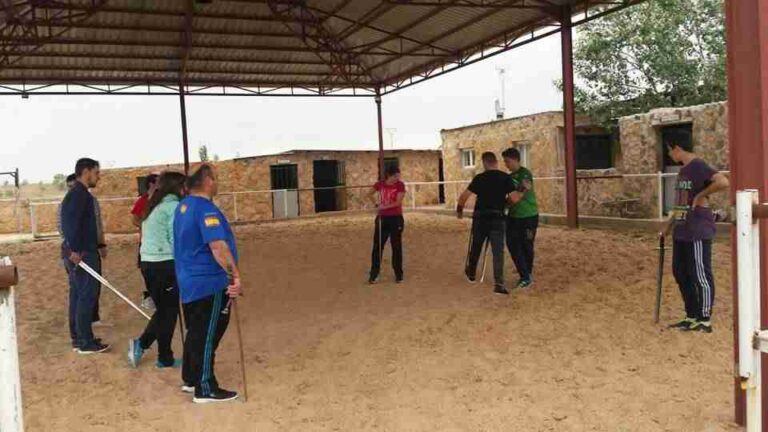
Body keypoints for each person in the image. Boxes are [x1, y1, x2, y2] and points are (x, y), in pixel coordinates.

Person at [174, 164, 241, 403]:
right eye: (216, 178)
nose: (218, 182)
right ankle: (205, 386)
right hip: (209, 283)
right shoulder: (205, 210)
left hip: (189, 281)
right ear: (207, 180)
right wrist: (235, 276)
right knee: (208, 333)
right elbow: (218, 247)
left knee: (196, 332)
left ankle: (191, 378)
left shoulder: (182, 207)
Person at [663, 131, 729, 333]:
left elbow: (723, 182)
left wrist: (701, 194)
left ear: (677, 148)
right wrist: (668, 225)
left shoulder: (698, 165)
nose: (669, 155)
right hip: (682, 229)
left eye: (669, 151)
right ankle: (691, 316)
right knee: (681, 272)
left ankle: (704, 319)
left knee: (700, 274)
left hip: (697, 229)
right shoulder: (683, 171)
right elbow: (682, 202)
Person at [128, 172, 186, 369]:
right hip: (163, 263)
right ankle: (145, 346)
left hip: (149, 262)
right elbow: (175, 239)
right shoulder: (172, 207)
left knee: (166, 311)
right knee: (167, 312)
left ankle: (163, 355)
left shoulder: (155, 204)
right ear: (177, 187)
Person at [60, 158, 110, 354]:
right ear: (86, 171)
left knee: (78, 295)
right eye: (96, 173)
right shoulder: (80, 196)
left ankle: (78, 337)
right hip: (82, 254)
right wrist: (74, 251)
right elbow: (69, 225)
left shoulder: (78, 195)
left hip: (79, 252)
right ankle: (85, 342)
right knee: (86, 296)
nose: (98, 177)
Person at [457, 152, 516, 295]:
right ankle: (499, 283)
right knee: (498, 251)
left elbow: (464, 196)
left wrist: (459, 211)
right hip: (497, 217)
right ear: (496, 162)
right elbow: (514, 198)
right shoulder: (505, 177)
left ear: (484, 163)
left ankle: (471, 273)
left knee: (476, 245)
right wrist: (504, 205)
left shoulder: (479, 178)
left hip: (480, 218)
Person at [502, 147, 540, 289]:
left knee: (527, 245)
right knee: (512, 244)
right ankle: (525, 274)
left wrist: (503, 206)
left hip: (528, 217)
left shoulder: (525, 175)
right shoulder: (509, 177)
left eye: (507, 161)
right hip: (513, 217)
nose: (506, 164)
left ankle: (526, 276)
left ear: (515, 159)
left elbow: (518, 196)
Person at [368, 165, 406, 284]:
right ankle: (374, 274)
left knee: (396, 246)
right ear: (389, 175)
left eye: (398, 176)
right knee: (377, 247)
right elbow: (369, 194)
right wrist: (376, 205)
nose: (397, 178)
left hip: (396, 219)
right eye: (395, 176)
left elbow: (398, 202)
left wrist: (383, 206)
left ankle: (398, 275)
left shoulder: (400, 185)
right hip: (382, 218)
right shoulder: (380, 184)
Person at [131, 173, 159, 311]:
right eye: (158, 182)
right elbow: (134, 218)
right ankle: (150, 295)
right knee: (146, 270)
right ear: (151, 184)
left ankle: (155, 296)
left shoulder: (162, 201)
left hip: (160, 243)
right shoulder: (142, 200)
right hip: (146, 241)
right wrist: (145, 225)